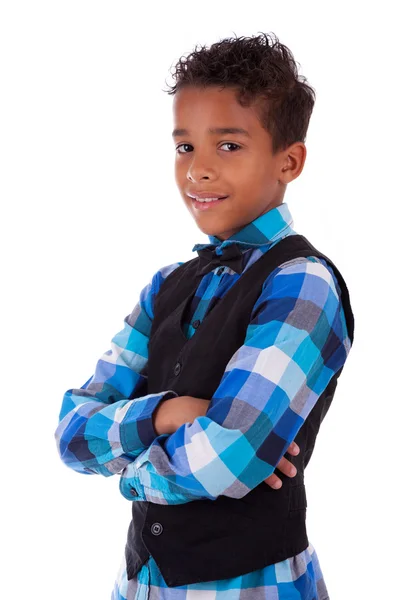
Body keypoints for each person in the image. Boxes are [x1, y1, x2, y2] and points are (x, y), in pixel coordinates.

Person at [55, 31, 355, 600]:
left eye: (229, 146)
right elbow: (72, 433)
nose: (199, 172)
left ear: (288, 160)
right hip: (141, 584)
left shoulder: (301, 283)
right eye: (186, 147)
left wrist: (128, 469)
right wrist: (168, 414)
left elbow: (230, 458)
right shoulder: (166, 284)